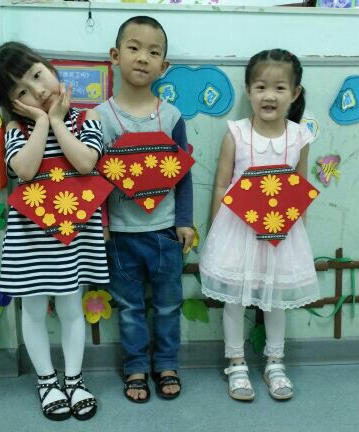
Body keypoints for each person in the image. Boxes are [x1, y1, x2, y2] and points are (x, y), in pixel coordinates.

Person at [0, 42, 108, 421]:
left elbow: (85, 163)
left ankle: (74, 379)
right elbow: (24, 169)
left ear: (51, 69)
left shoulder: (88, 119)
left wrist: (57, 121)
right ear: (12, 104)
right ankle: (47, 381)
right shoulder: (15, 128)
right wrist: (41, 123)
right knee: (34, 310)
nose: (38, 91)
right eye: (22, 91)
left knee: (71, 308)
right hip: (31, 239)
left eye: (38, 76)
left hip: (74, 236)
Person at [199, 49, 319, 401]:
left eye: (280, 88)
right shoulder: (236, 133)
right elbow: (221, 184)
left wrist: (300, 232)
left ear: (295, 93)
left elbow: (301, 187)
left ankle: (275, 363)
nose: (270, 95)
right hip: (238, 230)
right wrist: (215, 230)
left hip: (283, 233)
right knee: (235, 300)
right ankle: (236, 362)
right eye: (261, 87)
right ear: (248, 90)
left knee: (276, 299)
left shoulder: (299, 136)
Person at [96, 16, 194, 403]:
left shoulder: (171, 117)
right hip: (120, 235)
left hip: (165, 232)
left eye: (153, 52)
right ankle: (135, 366)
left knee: (169, 305)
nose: (142, 58)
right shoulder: (99, 118)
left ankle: (166, 363)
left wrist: (184, 221)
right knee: (129, 307)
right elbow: (92, 179)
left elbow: (183, 174)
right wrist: (103, 223)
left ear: (163, 66)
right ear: (115, 55)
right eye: (133, 48)